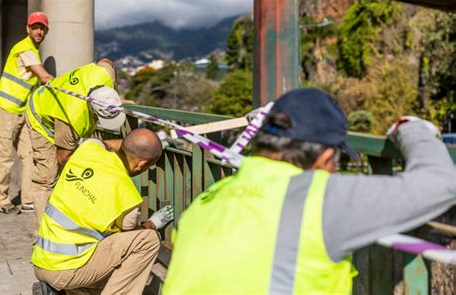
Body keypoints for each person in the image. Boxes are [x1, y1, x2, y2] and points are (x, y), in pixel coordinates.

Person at [163, 88, 456, 294]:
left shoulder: (207, 201)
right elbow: (442, 182)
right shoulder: (321, 199)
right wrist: (411, 127)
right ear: (326, 158)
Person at [32, 128, 174, 294]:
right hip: (65, 270)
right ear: (142, 164)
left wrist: (137, 145)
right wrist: (152, 224)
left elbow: (103, 143)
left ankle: (59, 292)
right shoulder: (127, 194)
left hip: (41, 261)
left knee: (107, 274)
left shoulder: (88, 149)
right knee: (147, 240)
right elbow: (128, 236)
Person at [25, 59, 123, 229]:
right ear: (92, 111)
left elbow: (107, 62)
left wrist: (115, 95)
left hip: (58, 105)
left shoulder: (104, 75)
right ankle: (42, 237)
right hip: (40, 116)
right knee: (47, 176)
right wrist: (96, 154)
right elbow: (63, 157)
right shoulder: (72, 119)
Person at [0, 11, 53, 214]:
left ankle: (28, 200)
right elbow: (43, 76)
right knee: (5, 157)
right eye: (35, 27)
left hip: (21, 114)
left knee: (29, 155)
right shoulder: (25, 49)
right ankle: (1, 200)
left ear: (46, 31)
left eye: (42, 28)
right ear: (28, 29)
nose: (38, 31)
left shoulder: (33, 52)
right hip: (5, 111)